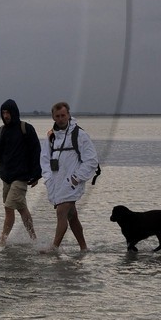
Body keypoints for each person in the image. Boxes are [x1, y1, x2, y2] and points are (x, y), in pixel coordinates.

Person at [39, 101, 97, 253]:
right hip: (56, 183)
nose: (60, 118)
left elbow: (91, 160)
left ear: (69, 115)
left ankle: (54, 247)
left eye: (63, 115)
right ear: (53, 117)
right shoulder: (51, 136)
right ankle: (84, 248)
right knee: (72, 216)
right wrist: (48, 178)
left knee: (61, 212)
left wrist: (76, 178)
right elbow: (44, 159)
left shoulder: (80, 135)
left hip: (73, 183)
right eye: (57, 116)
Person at [0, 98, 40, 245]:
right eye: (3, 113)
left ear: (14, 112)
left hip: (21, 177)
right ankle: (34, 238)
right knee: (21, 208)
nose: (6, 115)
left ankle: (3, 238)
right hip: (6, 176)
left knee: (8, 207)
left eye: (8, 112)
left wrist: (37, 174)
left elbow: (36, 152)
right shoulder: (1, 131)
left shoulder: (26, 128)